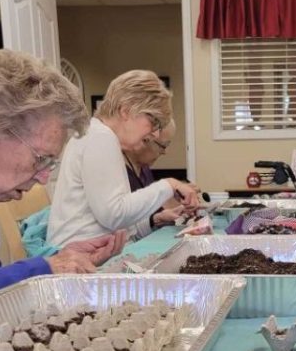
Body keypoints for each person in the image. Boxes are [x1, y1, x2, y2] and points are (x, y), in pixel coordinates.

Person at [0, 50, 126, 307]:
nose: (44, 178)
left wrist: (61, 260)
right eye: (40, 158)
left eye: (50, 163)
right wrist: (42, 269)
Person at [48, 70, 199, 247]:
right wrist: (169, 185)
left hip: (90, 256)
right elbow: (114, 216)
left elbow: (115, 226)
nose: (155, 133)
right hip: (79, 263)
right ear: (126, 111)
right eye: (154, 122)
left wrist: (154, 220)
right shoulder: (99, 137)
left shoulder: (98, 135)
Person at [122, 118, 186, 235]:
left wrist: (158, 218)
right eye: (163, 145)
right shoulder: (119, 172)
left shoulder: (144, 169)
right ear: (145, 139)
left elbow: (143, 218)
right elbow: (124, 228)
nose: (164, 152)